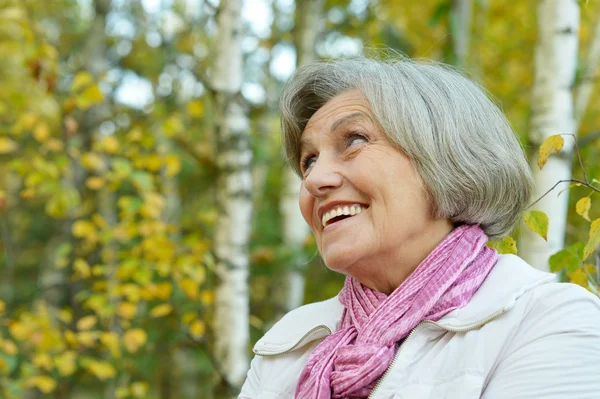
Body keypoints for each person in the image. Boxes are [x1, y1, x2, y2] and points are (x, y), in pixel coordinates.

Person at [239, 56, 600, 399]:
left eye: (354, 140)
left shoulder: (551, 321)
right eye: (309, 160)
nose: (315, 179)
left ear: (448, 160)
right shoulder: (287, 344)